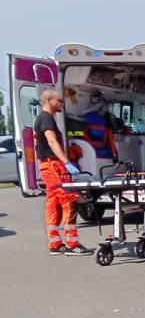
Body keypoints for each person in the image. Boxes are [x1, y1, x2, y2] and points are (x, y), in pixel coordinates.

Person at [34, 89, 93, 256]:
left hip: (48, 166)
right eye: (59, 100)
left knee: (53, 204)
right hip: (53, 165)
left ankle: (55, 244)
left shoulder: (42, 118)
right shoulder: (46, 119)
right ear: (49, 100)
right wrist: (66, 162)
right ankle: (73, 244)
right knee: (68, 201)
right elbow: (52, 141)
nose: (62, 103)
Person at [82, 91, 118, 160]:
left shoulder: (87, 123)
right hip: (98, 146)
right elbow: (111, 141)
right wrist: (114, 155)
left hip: (91, 148)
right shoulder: (106, 128)